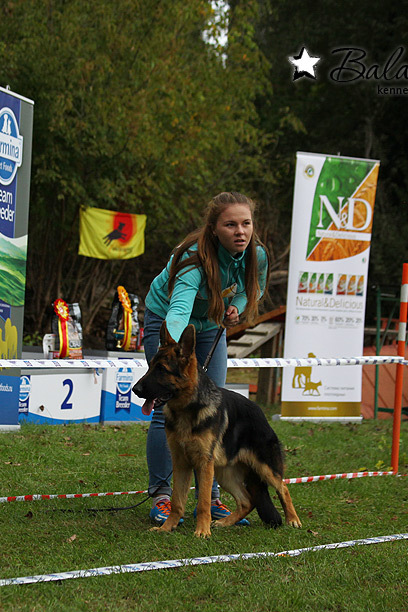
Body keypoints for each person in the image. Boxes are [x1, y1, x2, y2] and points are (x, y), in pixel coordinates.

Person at [141, 191, 268, 525]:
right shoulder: (194, 260)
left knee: (214, 405)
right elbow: (179, 309)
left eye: (246, 223)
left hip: (211, 322)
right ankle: (163, 495)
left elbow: (253, 288)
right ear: (214, 228)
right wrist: (173, 349)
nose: (240, 231)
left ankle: (209, 499)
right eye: (230, 224)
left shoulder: (257, 254)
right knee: (166, 404)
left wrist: (236, 307)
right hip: (168, 322)